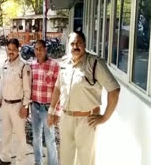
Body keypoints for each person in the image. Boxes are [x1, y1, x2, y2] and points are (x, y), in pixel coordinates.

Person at [48, 31, 120, 165]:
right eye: (72, 43)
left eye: (79, 43)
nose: (75, 46)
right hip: (66, 118)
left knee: (85, 160)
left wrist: (104, 117)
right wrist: (51, 111)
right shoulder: (64, 63)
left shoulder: (94, 63)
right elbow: (58, 88)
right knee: (65, 159)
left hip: (86, 120)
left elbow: (114, 90)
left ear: (85, 44)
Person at [0, 38, 31, 165]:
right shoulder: (5, 64)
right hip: (6, 104)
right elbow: (4, 84)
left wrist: (25, 106)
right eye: (9, 49)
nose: (11, 52)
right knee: (6, 133)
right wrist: (1, 97)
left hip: (18, 106)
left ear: (18, 50)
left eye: (13, 50)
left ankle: (21, 161)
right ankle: (5, 158)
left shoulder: (24, 66)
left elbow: (27, 90)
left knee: (21, 136)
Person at [31, 39, 59, 165]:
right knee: (36, 138)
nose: (38, 52)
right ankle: (38, 162)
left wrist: (56, 111)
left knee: (50, 139)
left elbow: (59, 90)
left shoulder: (54, 65)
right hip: (35, 106)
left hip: (47, 109)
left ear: (45, 49)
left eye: (40, 49)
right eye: (36, 49)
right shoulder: (32, 65)